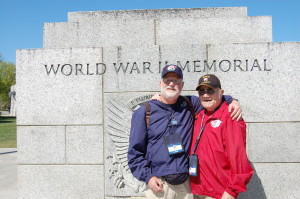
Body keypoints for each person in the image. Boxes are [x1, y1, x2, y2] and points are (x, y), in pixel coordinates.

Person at [128, 65, 241, 199]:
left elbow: (213, 97)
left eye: (176, 81)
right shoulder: (145, 112)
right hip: (159, 187)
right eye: (167, 80)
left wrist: (233, 101)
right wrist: (148, 177)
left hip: (186, 187)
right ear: (160, 83)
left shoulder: (190, 104)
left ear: (182, 85)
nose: (171, 84)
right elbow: (134, 154)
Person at [190, 74, 254, 199]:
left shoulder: (231, 117)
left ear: (221, 92)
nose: (206, 95)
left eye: (210, 90)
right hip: (198, 190)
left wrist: (231, 191)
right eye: (202, 91)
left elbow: (238, 158)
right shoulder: (200, 115)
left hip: (219, 193)